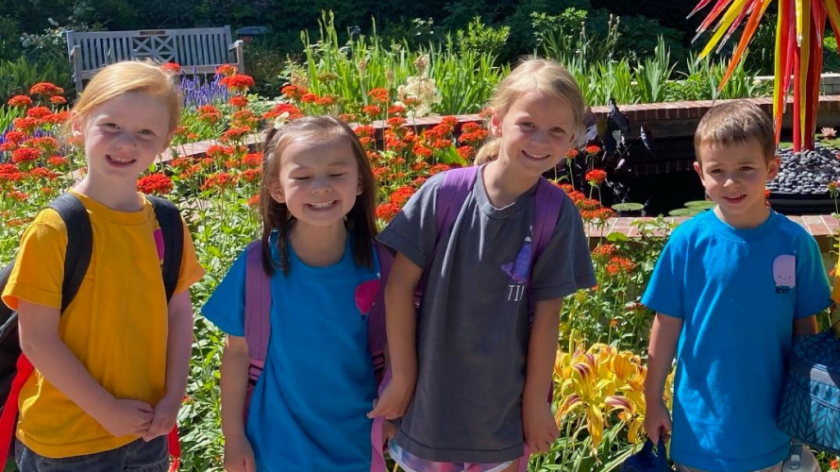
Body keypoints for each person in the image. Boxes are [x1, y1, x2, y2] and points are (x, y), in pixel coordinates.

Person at [371, 58, 597, 472]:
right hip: (429, 404)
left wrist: (535, 405)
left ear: (571, 141)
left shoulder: (556, 214)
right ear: (496, 122)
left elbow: (547, 320)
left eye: (557, 131)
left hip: (502, 414)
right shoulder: (441, 195)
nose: (540, 140)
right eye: (527, 124)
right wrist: (401, 378)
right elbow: (398, 288)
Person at [1, 60, 205, 471]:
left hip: (146, 429)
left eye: (145, 132)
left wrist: (173, 396)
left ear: (165, 141)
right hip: (67, 442)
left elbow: (179, 312)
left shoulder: (167, 221)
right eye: (111, 125)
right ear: (79, 124)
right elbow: (38, 340)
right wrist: (106, 410)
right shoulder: (56, 228)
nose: (126, 142)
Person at [642, 100, 831, 472]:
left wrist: (812, 404)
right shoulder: (687, 243)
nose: (731, 182)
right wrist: (652, 400)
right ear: (700, 174)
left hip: (774, 429)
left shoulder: (795, 245)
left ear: (772, 168)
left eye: (746, 168)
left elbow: (806, 332)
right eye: (718, 170)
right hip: (702, 432)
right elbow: (665, 328)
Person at [203, 116, 391, 472]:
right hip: (275, 447)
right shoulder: (257, 266)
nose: (320, 187)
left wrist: (396, 415)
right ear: (276, 189)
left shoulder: (382, 265)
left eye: (336, 174)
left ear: (361, 181)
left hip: (359, 444)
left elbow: (400, 350)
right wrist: (233, 436)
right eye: (303, 177)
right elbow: (236, 354)